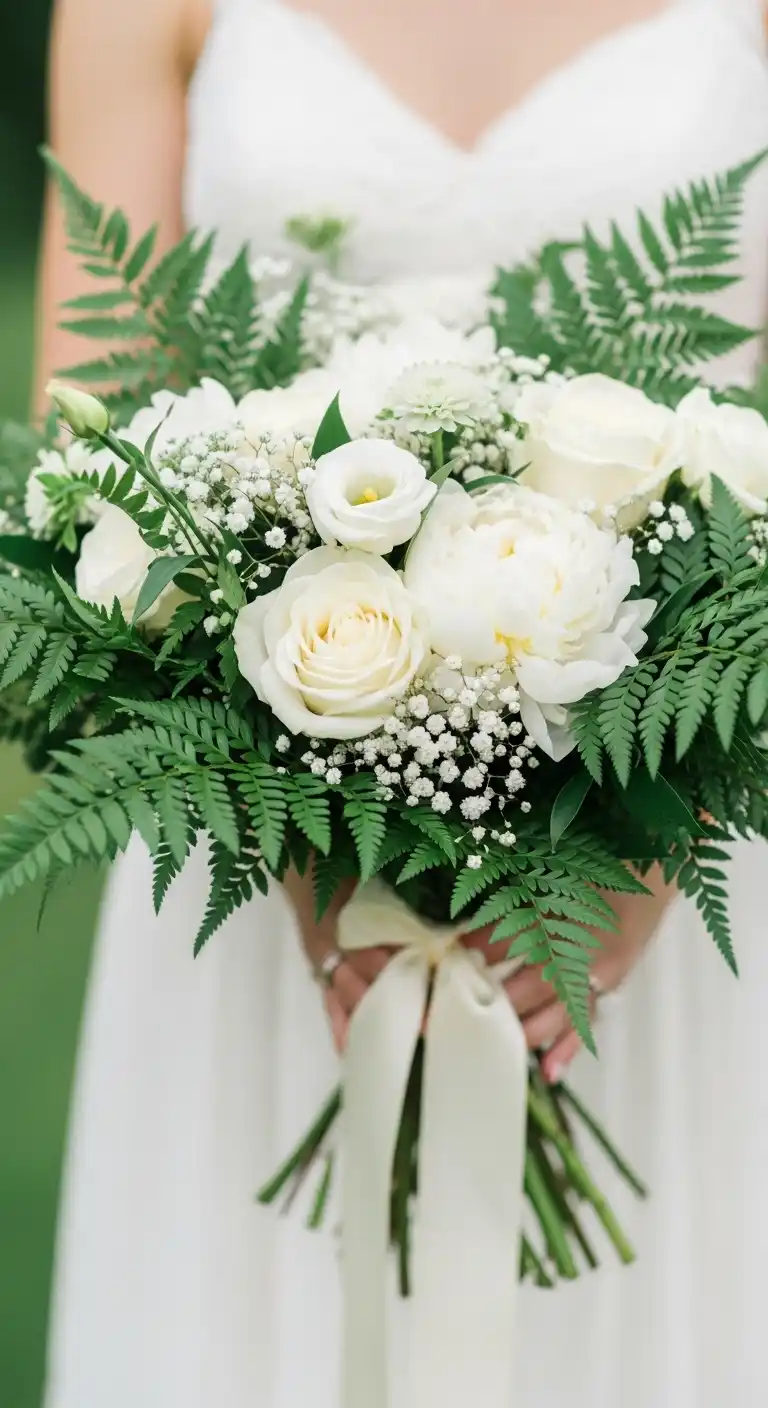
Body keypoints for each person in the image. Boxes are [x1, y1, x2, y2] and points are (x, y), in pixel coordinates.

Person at [38, 1, 768, 1405]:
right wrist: (313, 853)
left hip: (695, 813)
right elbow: (88, 455)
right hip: (257, 872)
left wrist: (656, 834)